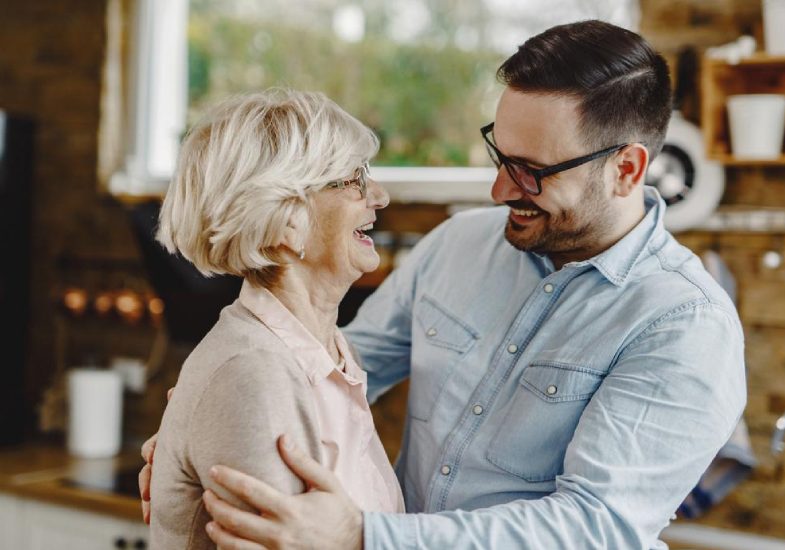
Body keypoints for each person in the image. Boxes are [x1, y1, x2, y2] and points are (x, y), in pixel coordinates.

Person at [140, 20, 746, 549]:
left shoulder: (683, 325)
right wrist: (201, 433)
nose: (500, 191)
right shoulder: (460, 244)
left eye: (531, 172)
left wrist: (365, 537)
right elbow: (342, 369)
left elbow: (594, 528)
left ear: (627, 170)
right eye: (500, 156)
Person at [145, 89, 402, 549]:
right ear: (287, 221)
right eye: (353, 179)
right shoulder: (252, 372)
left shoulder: (329, 354)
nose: (379, 196)